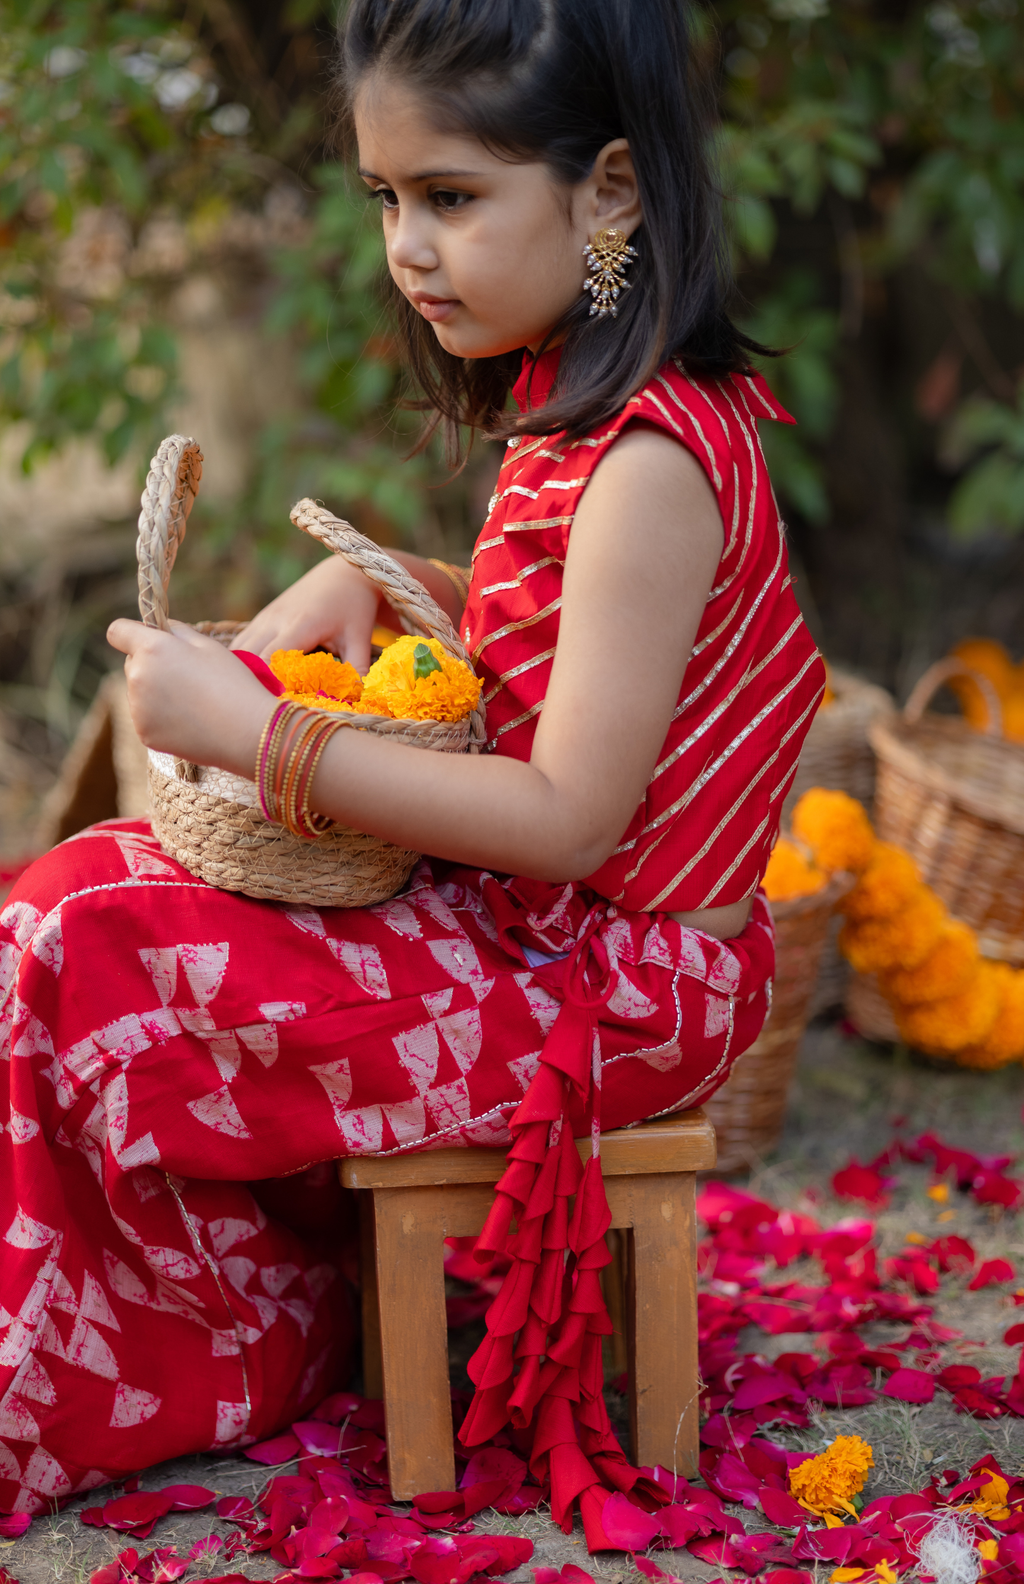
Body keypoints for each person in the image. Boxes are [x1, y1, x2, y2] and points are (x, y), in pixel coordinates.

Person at [0, 0, 824, 1538]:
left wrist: (266, 739)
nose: (407, 248)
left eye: (450, 197)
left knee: (76, 939)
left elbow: (572, 817)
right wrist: (391, 591)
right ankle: (189, 1323)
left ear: (612, 192)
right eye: (387, 200)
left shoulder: (649, 465)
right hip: (555, 945)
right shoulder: (579, 420)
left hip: (617, 989)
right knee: (73, 900)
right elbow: (559, 654)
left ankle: (176, 1352)